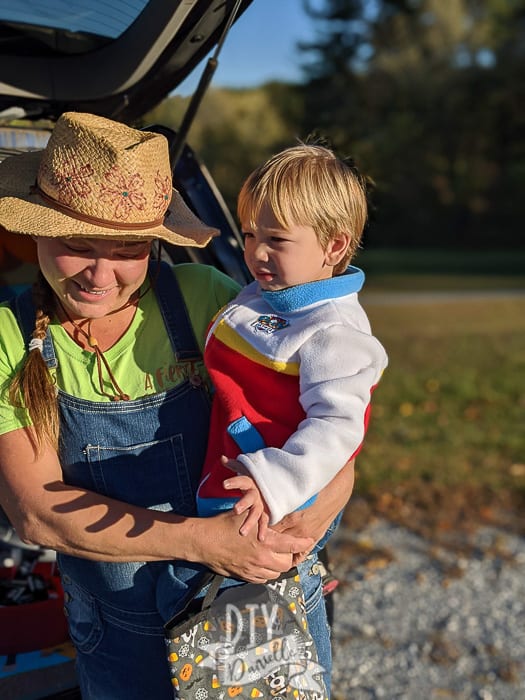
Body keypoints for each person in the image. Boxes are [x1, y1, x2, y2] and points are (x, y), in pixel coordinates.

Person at [0, 112, 354, 700]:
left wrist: (304, 534)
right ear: (32, 232)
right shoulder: (12, 335)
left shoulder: (207, 300)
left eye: (128, 250)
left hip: (246, 612)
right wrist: (204, 540)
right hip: (121, 634)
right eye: (76, 247)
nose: (101, 274)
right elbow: (35, 509)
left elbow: (329, 434)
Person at [198, 142, 387, 544]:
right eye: (249, 234)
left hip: (274, 496)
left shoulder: (333, 331)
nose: (256, 252)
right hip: (235, 474)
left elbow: (337, 428)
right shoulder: (269, 294)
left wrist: (274, 482)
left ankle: (304, 600)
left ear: (334, 246)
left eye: (276, 240)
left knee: (252, 598)